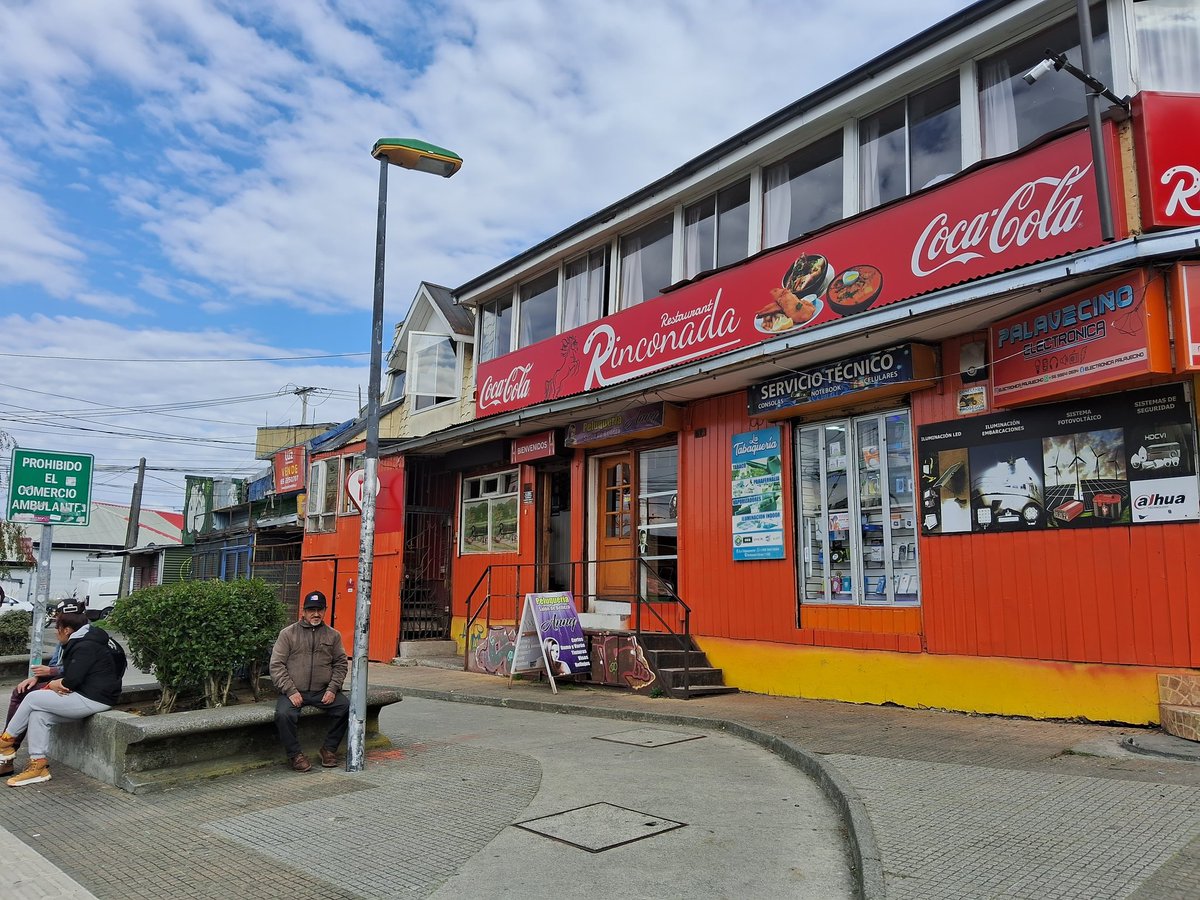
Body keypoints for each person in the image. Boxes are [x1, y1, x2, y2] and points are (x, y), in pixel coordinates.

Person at [0, 602, 122, 786]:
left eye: (57, 628)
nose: (55, 633)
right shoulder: (86, 639)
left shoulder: (85, 646)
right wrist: (54, 682)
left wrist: (57, 683)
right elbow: (72, 674)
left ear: (66, 630)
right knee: (39, 715)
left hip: (94, 698)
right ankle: (38, 765)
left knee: (31, 697)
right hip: (89, 694)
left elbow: (72, 680)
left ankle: (6, 743)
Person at [269, 590, 349, 772]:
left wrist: (332, 688)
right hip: (294, 691)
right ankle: (295, 755)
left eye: (319, 609)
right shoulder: (288, 634)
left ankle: (328, 749)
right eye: (311, 609)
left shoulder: (333, 635)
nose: (316, 614)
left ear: (325, 610)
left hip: (322, 691)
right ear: (303, 612)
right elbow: (276, 665)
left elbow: (341, 664)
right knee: (283, 715)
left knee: (345, 707)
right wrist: (290, 691)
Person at [1, 601, 70, 777]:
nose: (57, 627)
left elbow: (78, 669)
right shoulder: (62, 637)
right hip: (57, 679)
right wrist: (37, 677)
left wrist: (52, 671)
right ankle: (7, 753)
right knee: (22, 690)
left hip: (72, 685)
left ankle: (7, 750)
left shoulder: (84, 639)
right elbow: (55, 663)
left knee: (28, 698)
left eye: (60, 621)